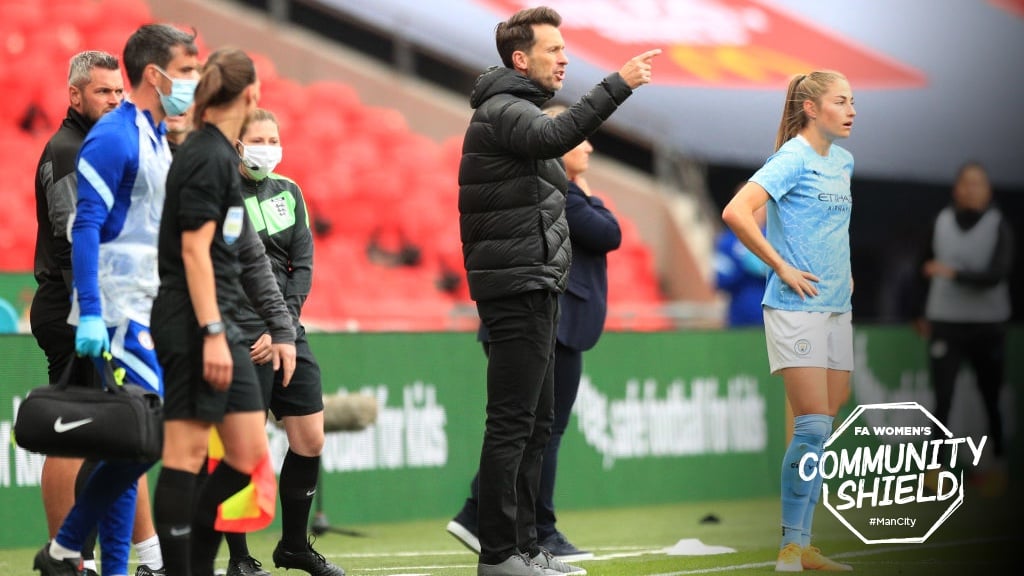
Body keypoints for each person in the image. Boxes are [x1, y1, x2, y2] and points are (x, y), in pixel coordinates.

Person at [457, 6, 658, 575]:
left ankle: (525, 549)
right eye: (554, 50)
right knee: (512, 422)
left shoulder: (519, 115)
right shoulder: (503, 113)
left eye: (566, 49)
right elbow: (559, 134)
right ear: (521, 59)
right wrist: (617, 84)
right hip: (515, 285)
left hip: (538, 284)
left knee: (538, 424)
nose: (565, 57)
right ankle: (497, 555)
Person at [33, 25, 201, 576]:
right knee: (147, 435)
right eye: (187, 68)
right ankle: (65, 548)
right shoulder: (114, 136)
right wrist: (92, 311)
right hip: (114, 310)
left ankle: (113, 567)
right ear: (155, 74)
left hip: (144, 306)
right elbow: (83, 226)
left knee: (127, 442)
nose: (194, 81)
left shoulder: (154, 136)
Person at [448, 105, 620, 562]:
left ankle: (489, 519)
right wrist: (586, 192)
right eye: (579, 136)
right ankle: (533, 529)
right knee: (535, 430)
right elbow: (607, 233)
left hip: (550, 319)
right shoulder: (559, 189)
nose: (588, 144)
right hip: (545, 320)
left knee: (530, 428)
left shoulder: (556, 187)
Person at [150, 47, 297, 576]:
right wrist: (212, 331)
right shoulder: (205, 156)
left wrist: (274, 328)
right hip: (195, 323)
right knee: (186, 455)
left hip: (227, 322)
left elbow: (241, 253)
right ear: (252, 94)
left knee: (244, 453)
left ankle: (192, 562)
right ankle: (184, 568)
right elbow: (194, 251)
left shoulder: (219, 155)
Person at [721, 70, 856, 572]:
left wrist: (847, 276)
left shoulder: (842, 161)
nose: (851, 110)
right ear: (811, 108)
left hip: (838, 309)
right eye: (841, 101)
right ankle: (791, 547)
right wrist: (779, 265)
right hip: (795, 307)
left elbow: (833, 230)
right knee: (813, 424)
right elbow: (737, 212)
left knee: (824, 423)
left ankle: (806, 543)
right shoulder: (792, 157)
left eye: (852, 101)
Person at [220, 108, 343, 576]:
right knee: (242, 447)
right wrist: (255, 330)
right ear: (237, 143)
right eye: (259, 139)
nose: (268, 147)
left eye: (275, 138)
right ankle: (238, 558)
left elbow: (302, 263)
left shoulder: (289, 192)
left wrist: (282, 327)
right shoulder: (221, 192)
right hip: (239, 332)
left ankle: (293, 547)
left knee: (310, 438)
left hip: (285, 330)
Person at [30, 50, 122, 576]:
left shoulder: (96, 146)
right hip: (73, 310)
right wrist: (94, 313)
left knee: (105, 438)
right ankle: (67, 556)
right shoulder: (68, 152)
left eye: (118, 91)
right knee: (72, 434)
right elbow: (72, 243)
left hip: (90, 307)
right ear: (74, 95)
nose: (113, 100)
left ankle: (80, 554)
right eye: (103, 91)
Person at [916, 162, 1013, 492]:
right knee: (942, 398)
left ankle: (996, 463)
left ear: (988, 190)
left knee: (990, 396)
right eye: (966, 183)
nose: (971, 189)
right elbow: (923, 267)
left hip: (988, 325)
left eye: (979, 183)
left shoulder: (999, 225)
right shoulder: (940, 222)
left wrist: (954, 274)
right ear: (956, 188)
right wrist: (921, 311)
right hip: (946, 322)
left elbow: (997, 275)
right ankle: (935, 469)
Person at [714, 203, 769, 327]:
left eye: (759, 207)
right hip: (740, 316)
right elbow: (720, 281)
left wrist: (768, 268)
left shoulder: (776, 237)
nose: (754, 212)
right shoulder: (728, 241)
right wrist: (741, 265)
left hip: (772, 314)